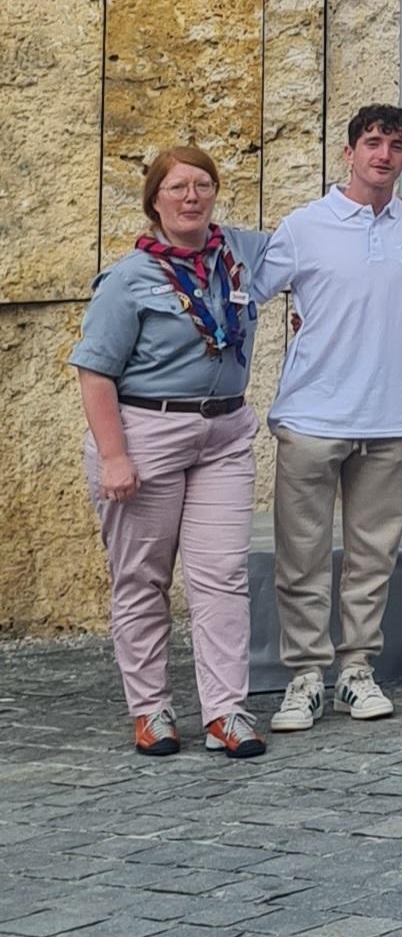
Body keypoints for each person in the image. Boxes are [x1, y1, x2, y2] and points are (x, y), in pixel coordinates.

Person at [72, 148, 275, 758]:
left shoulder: (239, 254)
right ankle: (151, 709)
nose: (192, 196)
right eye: (179, 186)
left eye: (203, 185)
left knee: (222, 576)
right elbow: (94, 374)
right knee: (142, 578)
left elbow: (316, 249)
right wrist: (114, 457)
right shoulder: (129, 279)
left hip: (223, 433)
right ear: (155, 199)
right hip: (145, 435)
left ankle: (225, 713)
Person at [259, 103, 402, 731]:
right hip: (312, 416)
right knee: (302, 556)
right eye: (372, 143)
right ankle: (306, 675)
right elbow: (247, 293)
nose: (383, 155)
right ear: (348, 151)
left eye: (396, 146)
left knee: (373, 556)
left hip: (388, 418)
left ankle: (356, 670)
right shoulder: (304, 225)